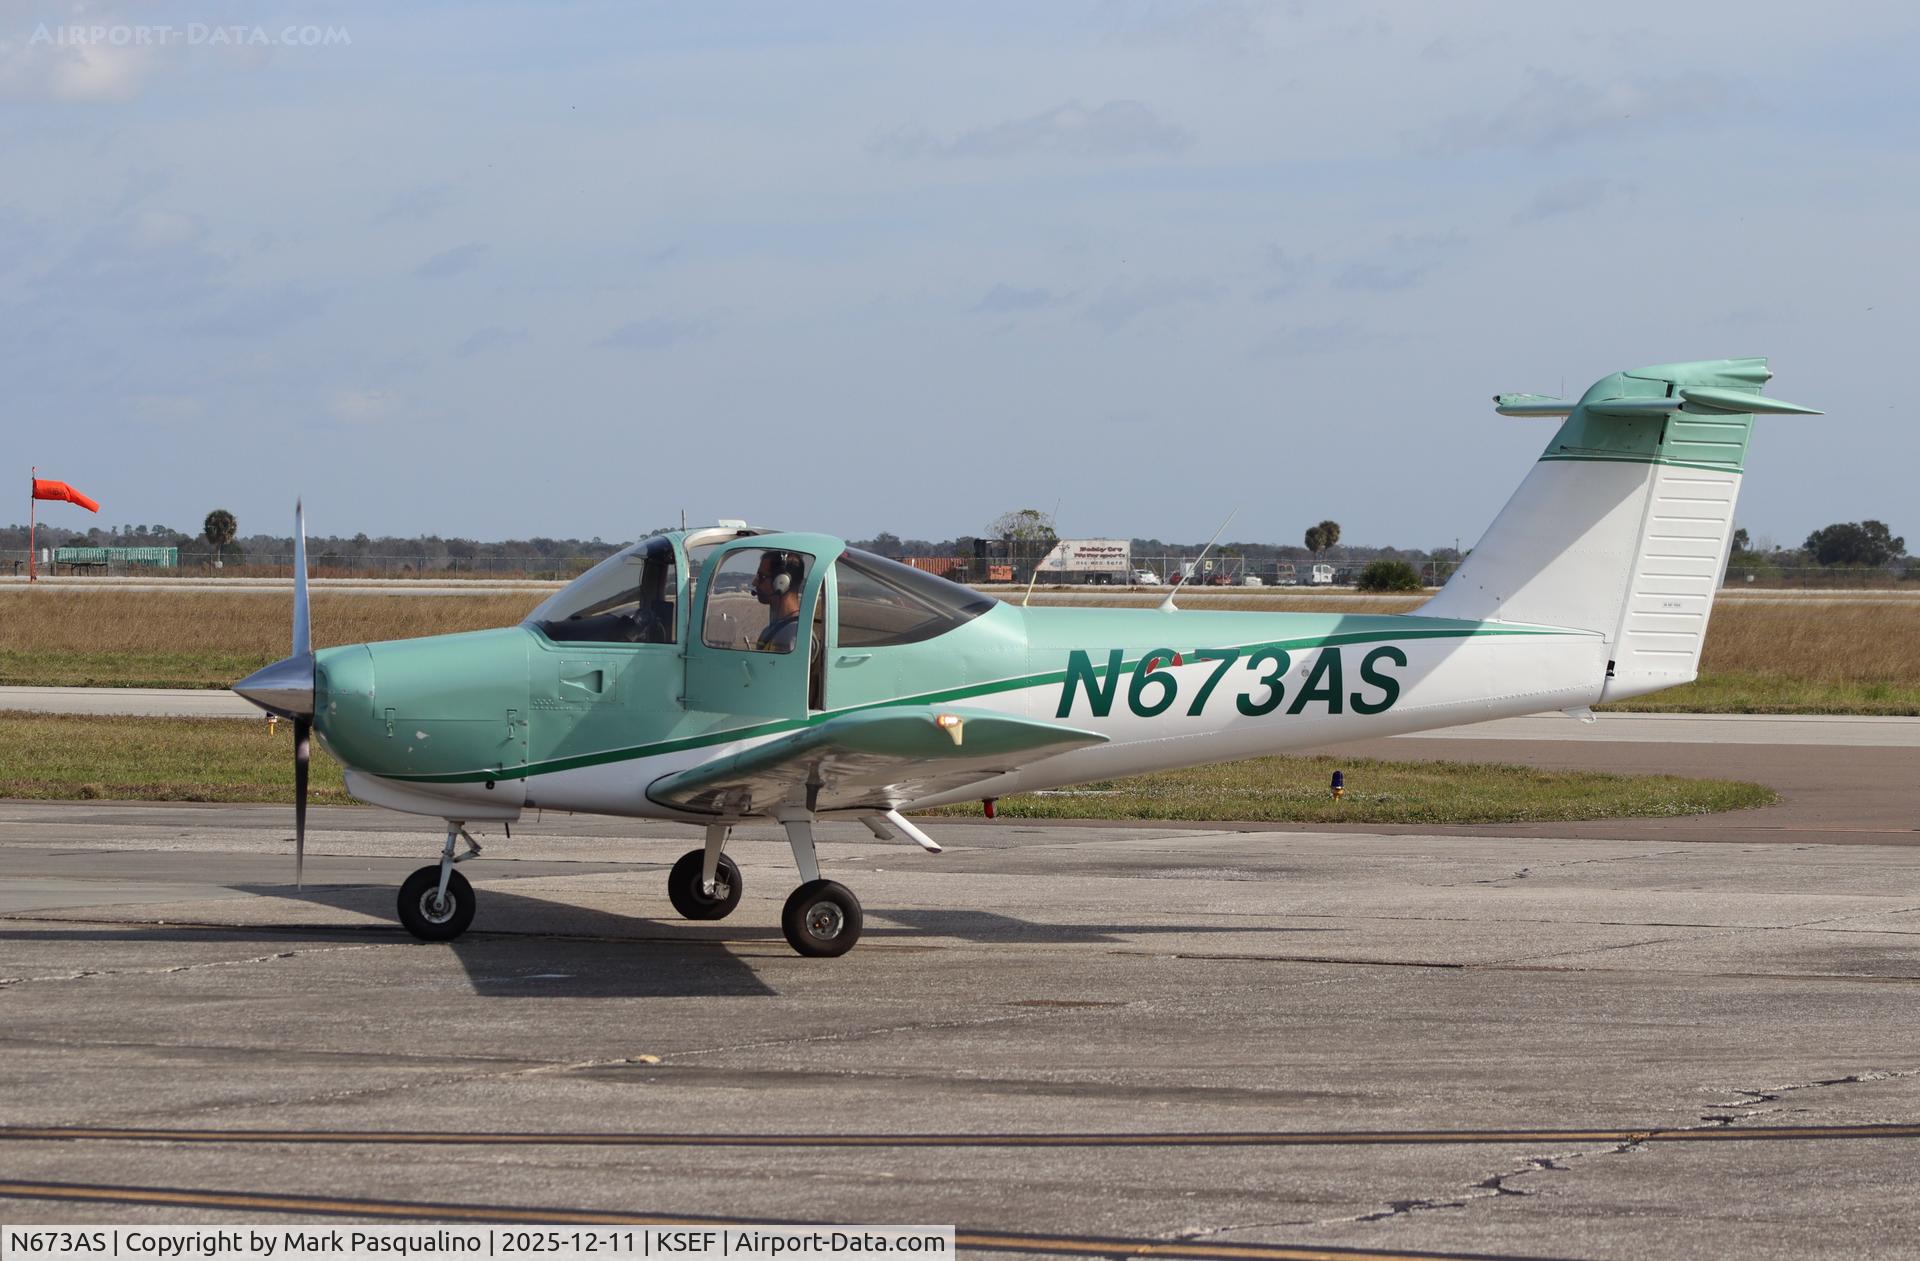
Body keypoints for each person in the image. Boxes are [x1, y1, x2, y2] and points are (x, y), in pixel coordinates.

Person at [752, 550, 805, 651]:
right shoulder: (770, 631)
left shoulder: (793, 634)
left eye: (761, 577)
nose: (754, 582)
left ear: (781, 582)